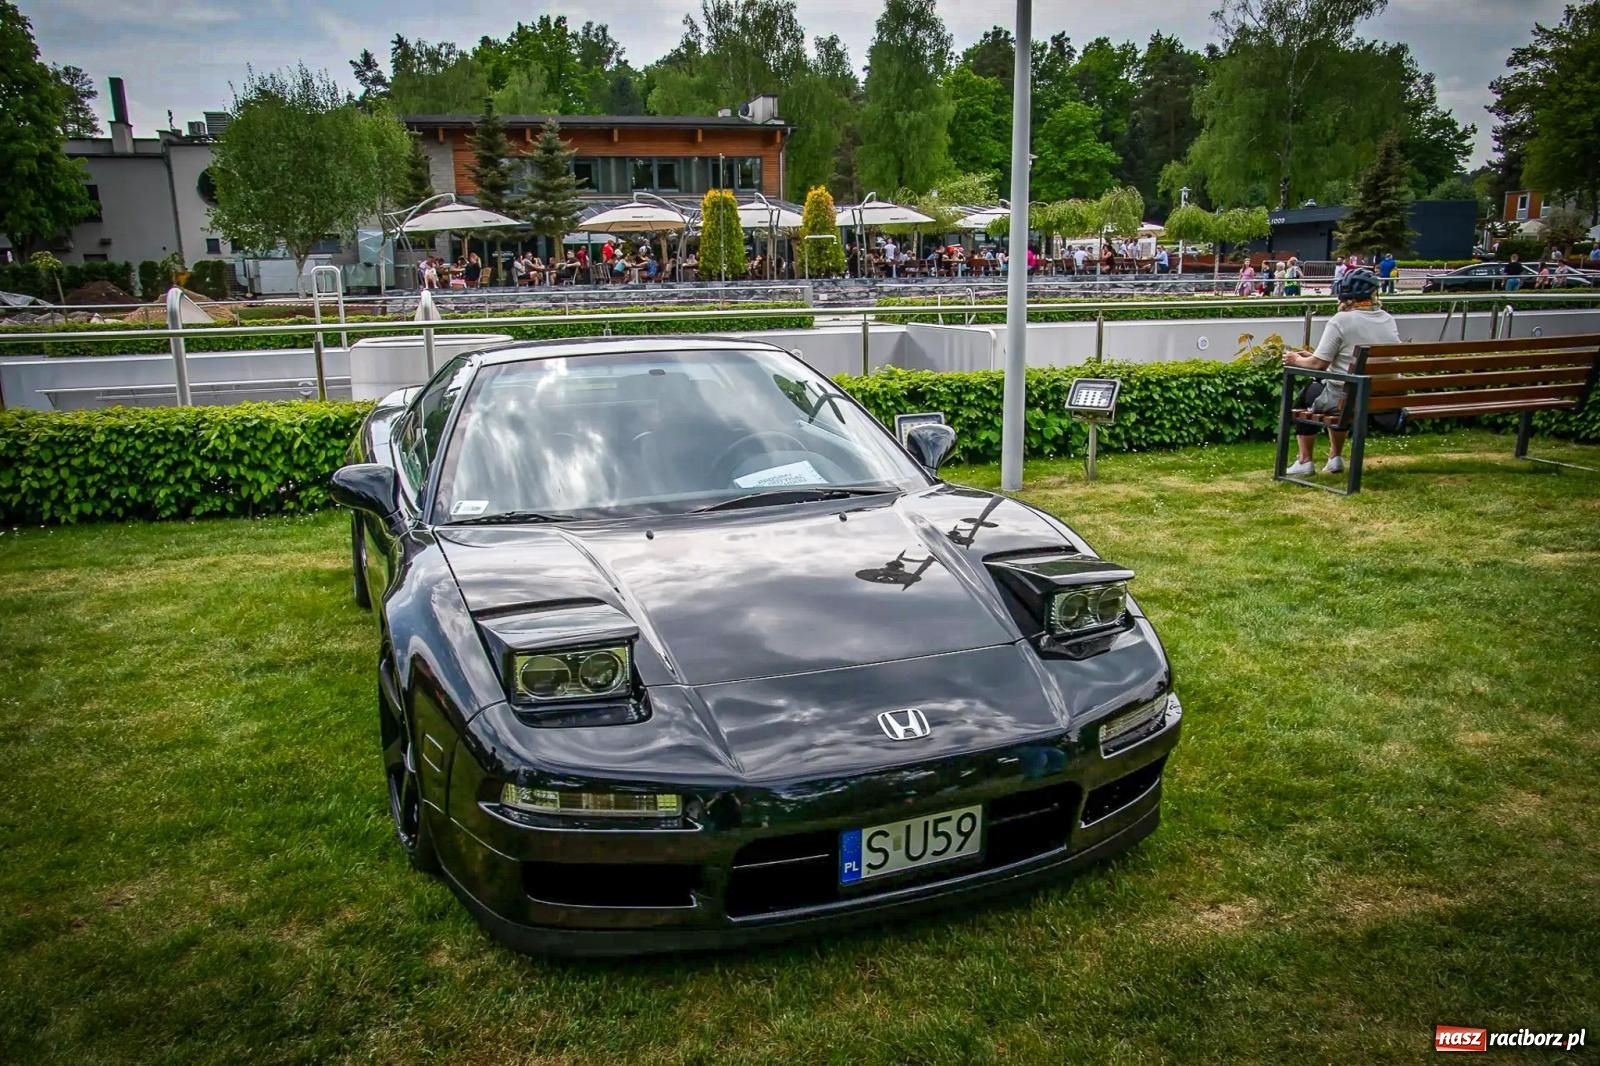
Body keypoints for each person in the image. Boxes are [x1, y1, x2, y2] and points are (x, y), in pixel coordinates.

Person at [1281, 268, 1398, 476]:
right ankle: (1334, 458)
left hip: (1350, 399)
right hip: (1384, 396)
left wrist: (1296, 359)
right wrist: (1313, 356)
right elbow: (1341, 357)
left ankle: (1305, 461)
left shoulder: (1341, 320)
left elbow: (1318, 366)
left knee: (1310, 394)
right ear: (1373, 294)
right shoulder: (1387, 319)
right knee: (1340, 393)